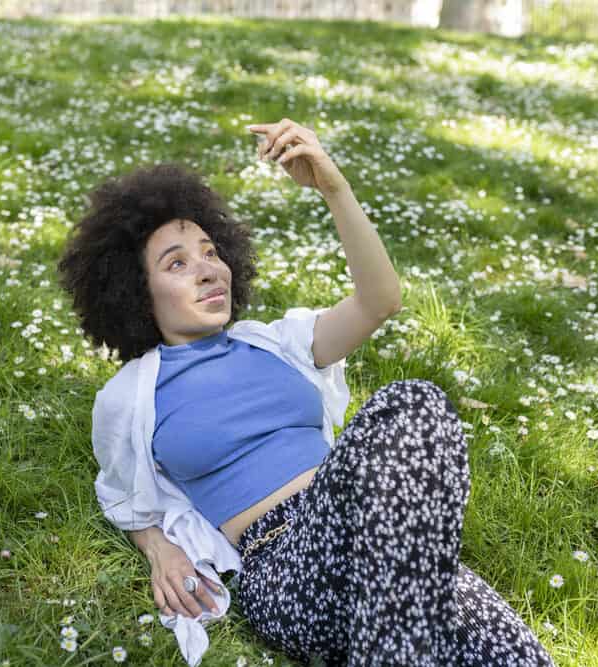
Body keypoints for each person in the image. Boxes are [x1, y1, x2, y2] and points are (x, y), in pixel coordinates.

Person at [56, 119, 555, 666]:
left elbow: (379, 301)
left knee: (516, 654)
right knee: (409, 405)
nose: (207, 270)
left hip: (385, 542)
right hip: (285, 566)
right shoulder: (132, 396)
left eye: (209, 252)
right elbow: (126, 496)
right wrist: (159, 549)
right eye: (177, 263)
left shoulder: (277, 344)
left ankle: (393, 645)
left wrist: (333, 188)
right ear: (135, 292)